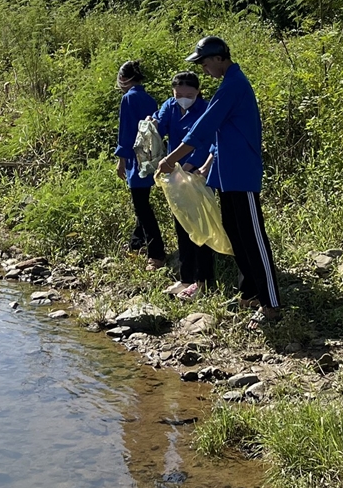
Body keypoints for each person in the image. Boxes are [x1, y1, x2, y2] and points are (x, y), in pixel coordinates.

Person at [159, 37, 281, 326]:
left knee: (253, 239)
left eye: (204, 63)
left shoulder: (234, 85)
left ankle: (271, 304)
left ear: (219, 58)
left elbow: (204, 127)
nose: (203, 69)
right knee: (236, 235)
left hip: (242, 174)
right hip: (227, 175)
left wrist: (171, 158)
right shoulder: (228, 84)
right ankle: (250, 294)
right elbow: (216, 134)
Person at [157, 72, 214, 299]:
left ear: (198, 91)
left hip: (197, 174)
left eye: (189, 95)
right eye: (178, 94)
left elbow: (206, 142)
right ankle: (186, 278)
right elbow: (160, 128)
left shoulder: (206, 109)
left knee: (200, 228)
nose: (183, 99)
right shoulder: (170, 106)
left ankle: (203, 280)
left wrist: (188, 167)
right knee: (181, 225)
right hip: (175, 174)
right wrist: (151, 124)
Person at [113, 61, 165, 270]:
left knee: (142, 208)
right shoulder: (149, 99)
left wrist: (121, 160)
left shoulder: (128, 98)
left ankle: (157, 254)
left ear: (124, 79)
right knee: (142, 202)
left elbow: (126, 132)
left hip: (136, 159)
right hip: (150, 157)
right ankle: (136, 245)